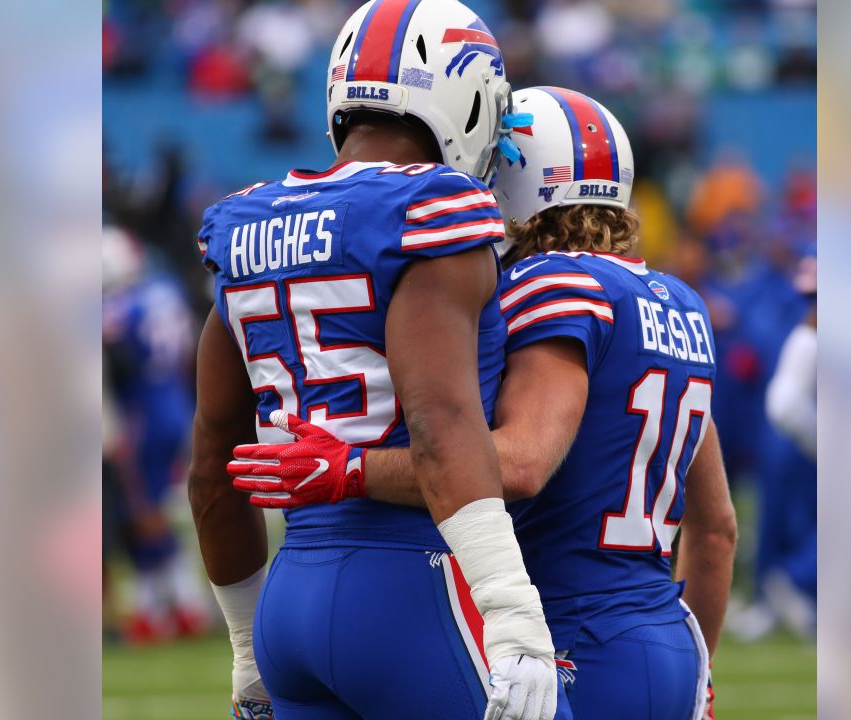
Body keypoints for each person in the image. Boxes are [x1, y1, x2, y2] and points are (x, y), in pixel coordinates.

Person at [231, 87, 737, 720]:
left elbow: (518, 462)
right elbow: (716, 528)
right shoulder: (678, 303)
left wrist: (355, 468)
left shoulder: (547, 285)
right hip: (668, 639)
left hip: (569, 636)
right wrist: (701, 667)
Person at [187, 2, 560, 719]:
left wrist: (245, 642)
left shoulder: (246, 222)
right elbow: (440, 423)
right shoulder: (435, 204)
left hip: (291, 602)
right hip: (412, 587)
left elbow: (212, 462)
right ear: (472, 100)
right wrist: (514, 616)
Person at [102, 225, 208, 644]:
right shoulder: (166, 291)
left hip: (141, 413)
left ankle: (168, 606)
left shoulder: (115, 308)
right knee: (167, 507)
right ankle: (178, 602)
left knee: (143, 510)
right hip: (178, 404)